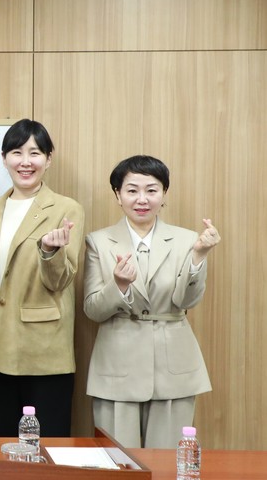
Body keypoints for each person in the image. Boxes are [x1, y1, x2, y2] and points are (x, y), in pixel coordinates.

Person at [83, 155, 219, 448]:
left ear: (164, 194)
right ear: (118, 195)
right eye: (132, 190)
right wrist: (119, 285)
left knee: (168, 462)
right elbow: (93, 309)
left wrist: (199, 256)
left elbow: (186, 300)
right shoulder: (98, 241)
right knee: (119, 462)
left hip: (173, 365)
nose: (142, 199)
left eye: (152, 190)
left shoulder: (187, 240)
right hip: (117, 365)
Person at [0, 119, 84, 437]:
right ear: (4, 158)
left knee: (49, 447)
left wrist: (50, 252)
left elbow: (61, 281)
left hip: (44, 351)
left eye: (35, 153)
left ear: (49, 159)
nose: (25, 162)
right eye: (16, 152)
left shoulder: (66, 209)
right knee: (1, 447)